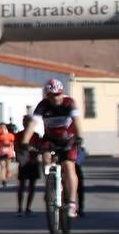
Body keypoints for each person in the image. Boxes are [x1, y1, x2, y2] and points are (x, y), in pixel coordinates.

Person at [18, 79, 83, 220]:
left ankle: (71, 203)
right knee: (46, 157)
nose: (56, 98)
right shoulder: (43, 106)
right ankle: (51, 184)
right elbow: (33, 124)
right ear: (47, 95)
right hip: (50, 139)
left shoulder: (69, 103)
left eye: (59, 94)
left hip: (68, 139)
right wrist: (24, 141)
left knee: (68, 166)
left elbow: (77, 121)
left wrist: (79, 137)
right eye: (52, 95)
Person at [15, 121, 40, 215]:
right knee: (21, 185)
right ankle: (19, 207)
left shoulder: (36, 135)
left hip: (33, 162)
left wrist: (34, 153)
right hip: (23, 162)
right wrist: (22, 155)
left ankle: (28, 207)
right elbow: (16, 147)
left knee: (32, 186)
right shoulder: (19, 134)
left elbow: (39, 147)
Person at [0, 117, 14, 186]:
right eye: (1, 128)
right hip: (0, 153)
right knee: (3, 166)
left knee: (7, 167)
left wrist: (11, 149)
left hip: (8, 153)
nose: (2, 129)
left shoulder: (10, 135)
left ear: (6, 128)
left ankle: (8, 172)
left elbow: (12, 143)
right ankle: (3, 180)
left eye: (4, 127)